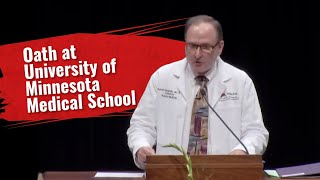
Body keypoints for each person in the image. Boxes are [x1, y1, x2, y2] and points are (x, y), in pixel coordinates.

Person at [127, 14, 269, 169]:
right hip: (171, 173)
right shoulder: (163, 77)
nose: (197, 54)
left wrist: (242, 151)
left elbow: (256, 132)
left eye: (205, 47)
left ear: (220, 47)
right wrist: (141, 147)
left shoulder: (240, 81)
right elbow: (141, 125)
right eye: (192, 46)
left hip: (223, 173)